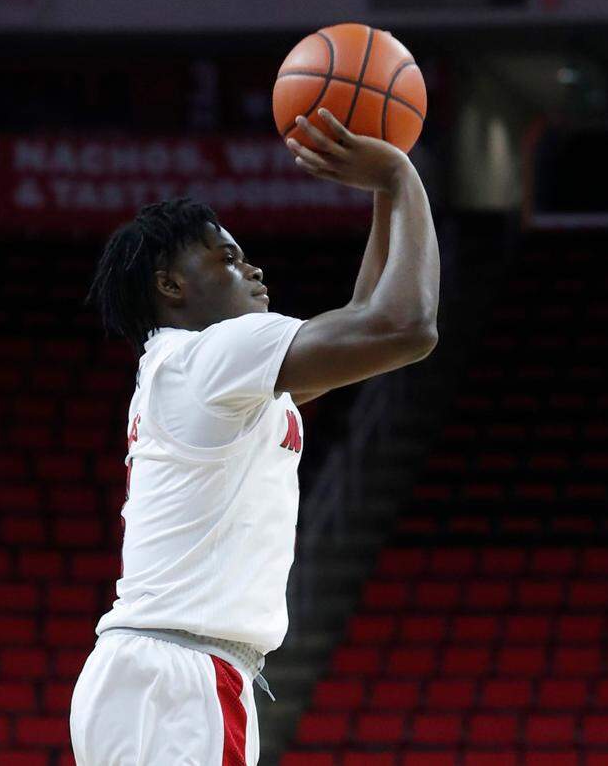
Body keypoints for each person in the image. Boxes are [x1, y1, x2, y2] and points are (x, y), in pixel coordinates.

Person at [70, 108, 439, 765]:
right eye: (229, 259)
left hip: (150, 669)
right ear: (171, 285)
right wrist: (403, 174)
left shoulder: (195, 373)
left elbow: (361, 317)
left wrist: (383, 195)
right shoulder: (215, 353)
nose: (254, 270)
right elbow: (406, 327)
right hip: (183, 679)